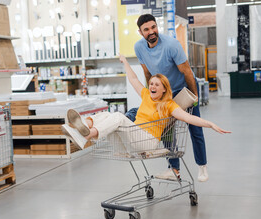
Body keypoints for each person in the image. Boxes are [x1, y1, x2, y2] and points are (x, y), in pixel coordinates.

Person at [61, 55, 230, 170]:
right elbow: (133, 78)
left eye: (157, 85)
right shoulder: (145, 95)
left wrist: (210, 124)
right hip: (132, 139)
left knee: (119, 116)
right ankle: (84, 127)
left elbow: (189, 118)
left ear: (164, 89)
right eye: (151, 84)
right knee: (108, 114)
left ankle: (86, 134)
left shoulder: (169, 105)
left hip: (147, 142)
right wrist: (125, 61)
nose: (152, 87)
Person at [129, 13, 210, 182]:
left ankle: (202, 166)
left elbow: (187, 71)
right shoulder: (139, 48)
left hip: (183, 88)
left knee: (194, 127)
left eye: (153, 27)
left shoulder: (171, 45)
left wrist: (194, 97)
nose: (151, 31)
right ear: (140, 32)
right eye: (146, 29)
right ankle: (174, 169)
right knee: (165, 129)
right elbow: (147, 72)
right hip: (165, 93)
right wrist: (151, 96)